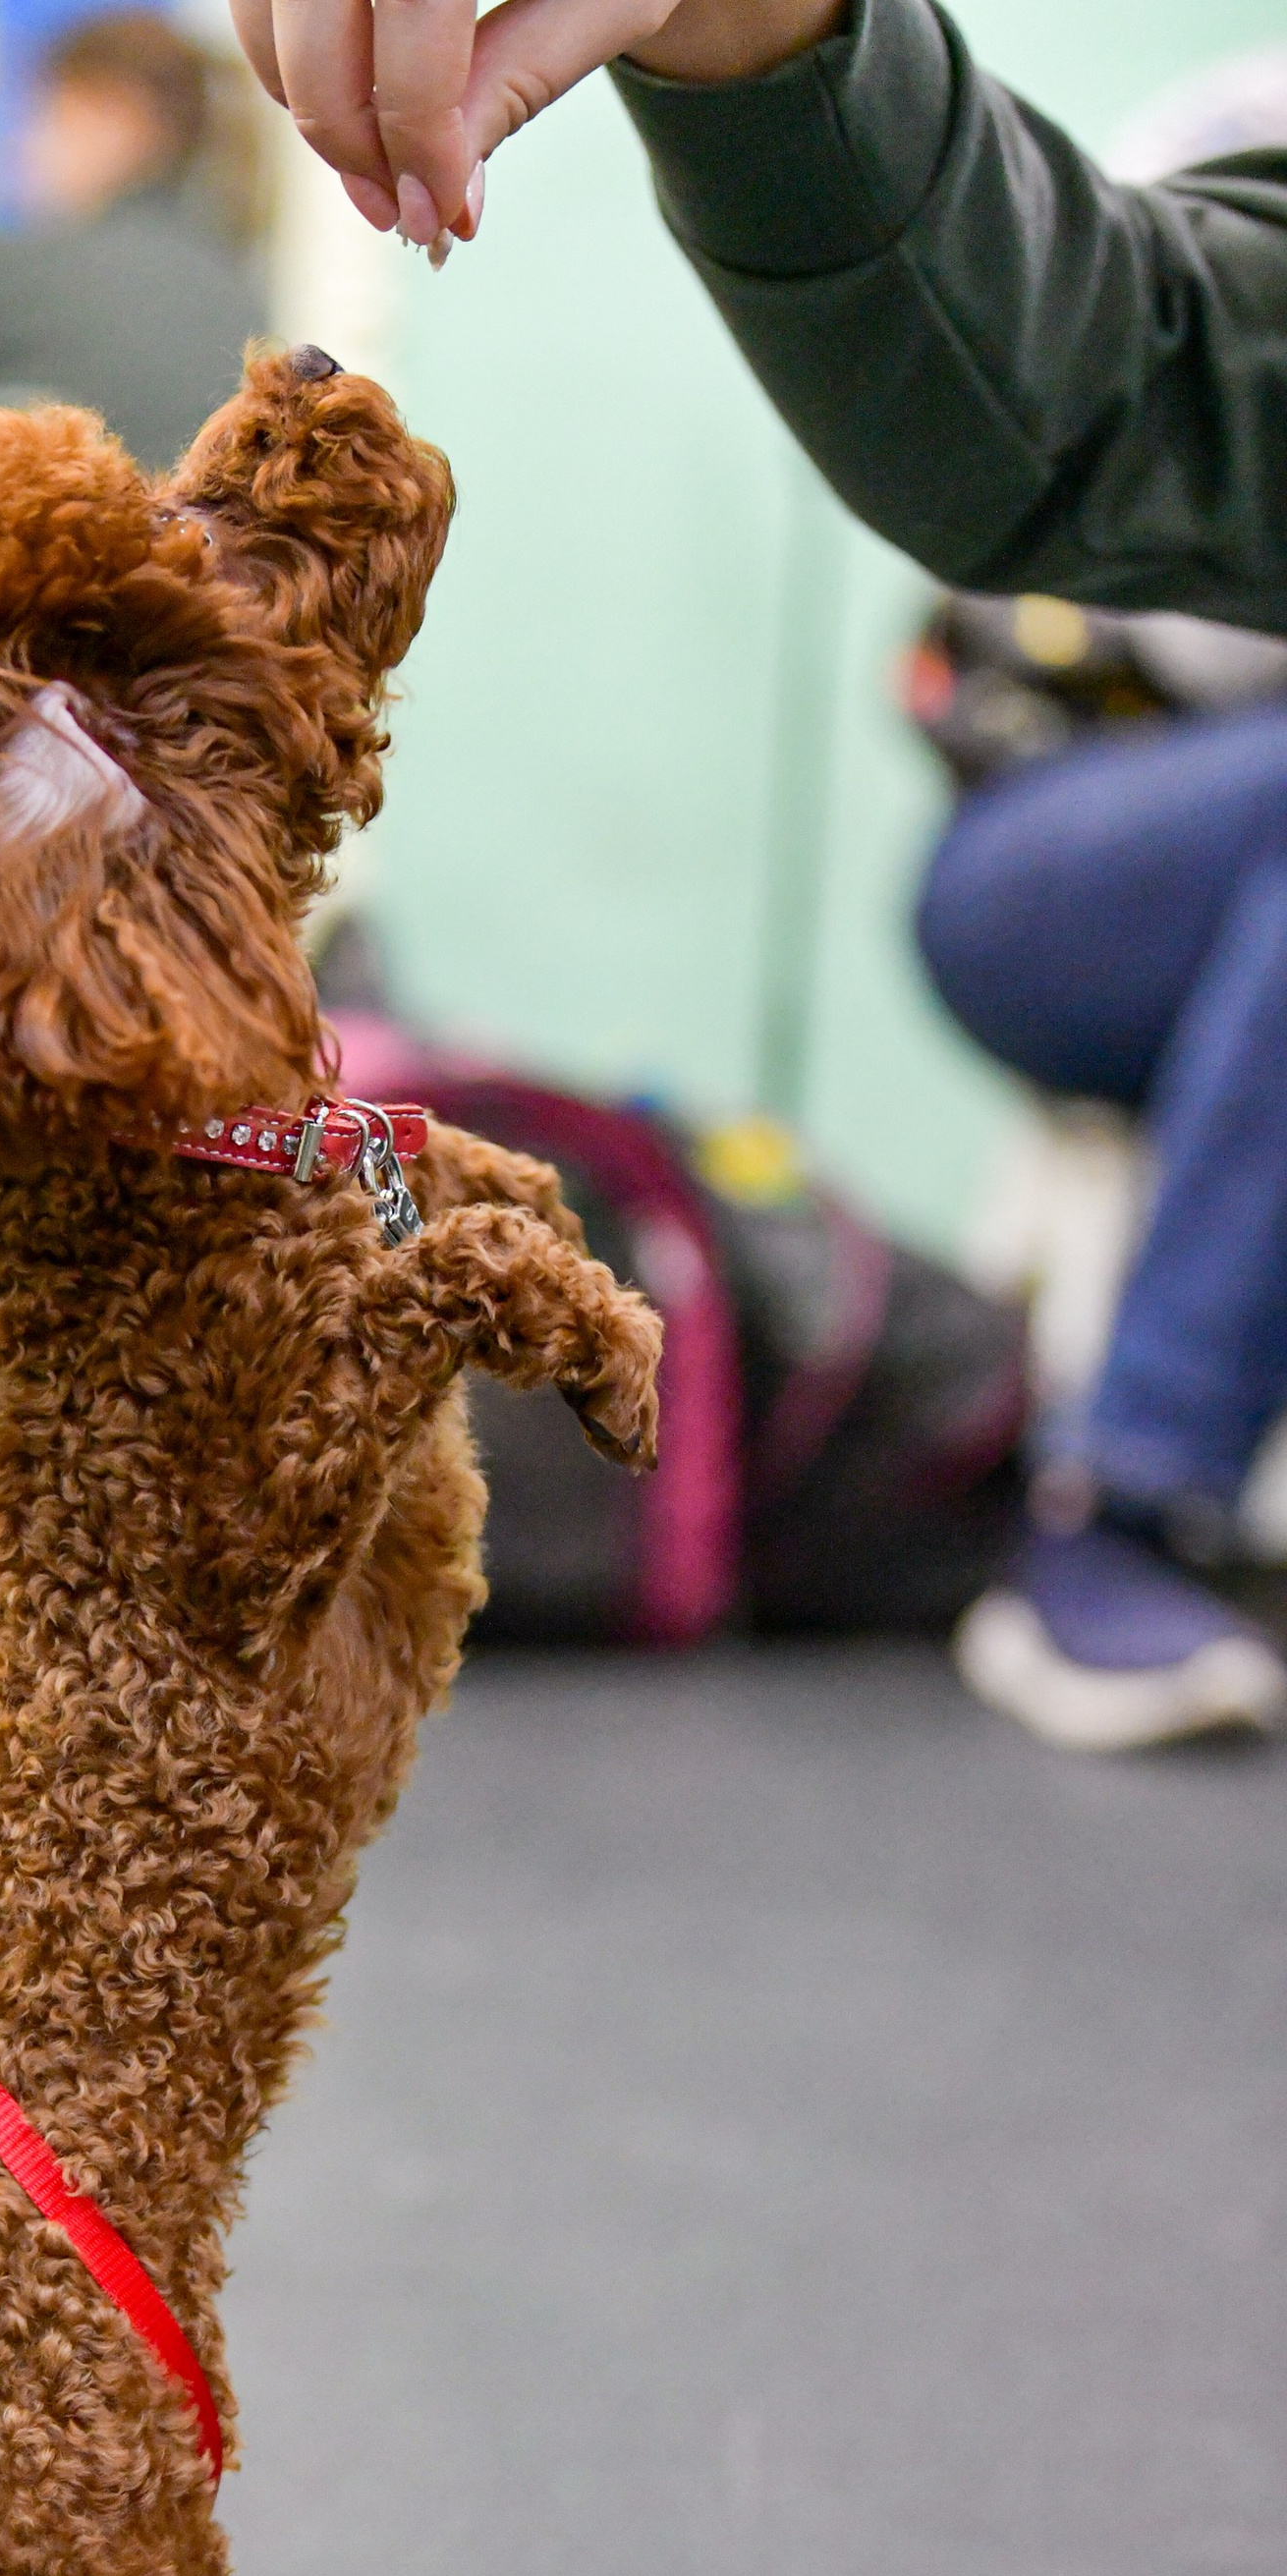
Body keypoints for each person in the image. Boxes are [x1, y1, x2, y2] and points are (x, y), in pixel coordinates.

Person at [233, 0, 1287, 1750]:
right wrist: (782, 46)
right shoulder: (1229, 127)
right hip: (1055, 844)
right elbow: (1111, 392)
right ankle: (1127, 1509)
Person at [0, 11, 268, 473]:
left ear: (110, 113)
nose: (19, 146)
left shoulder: (16, 267)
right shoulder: (237, 288)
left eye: (39, 118)